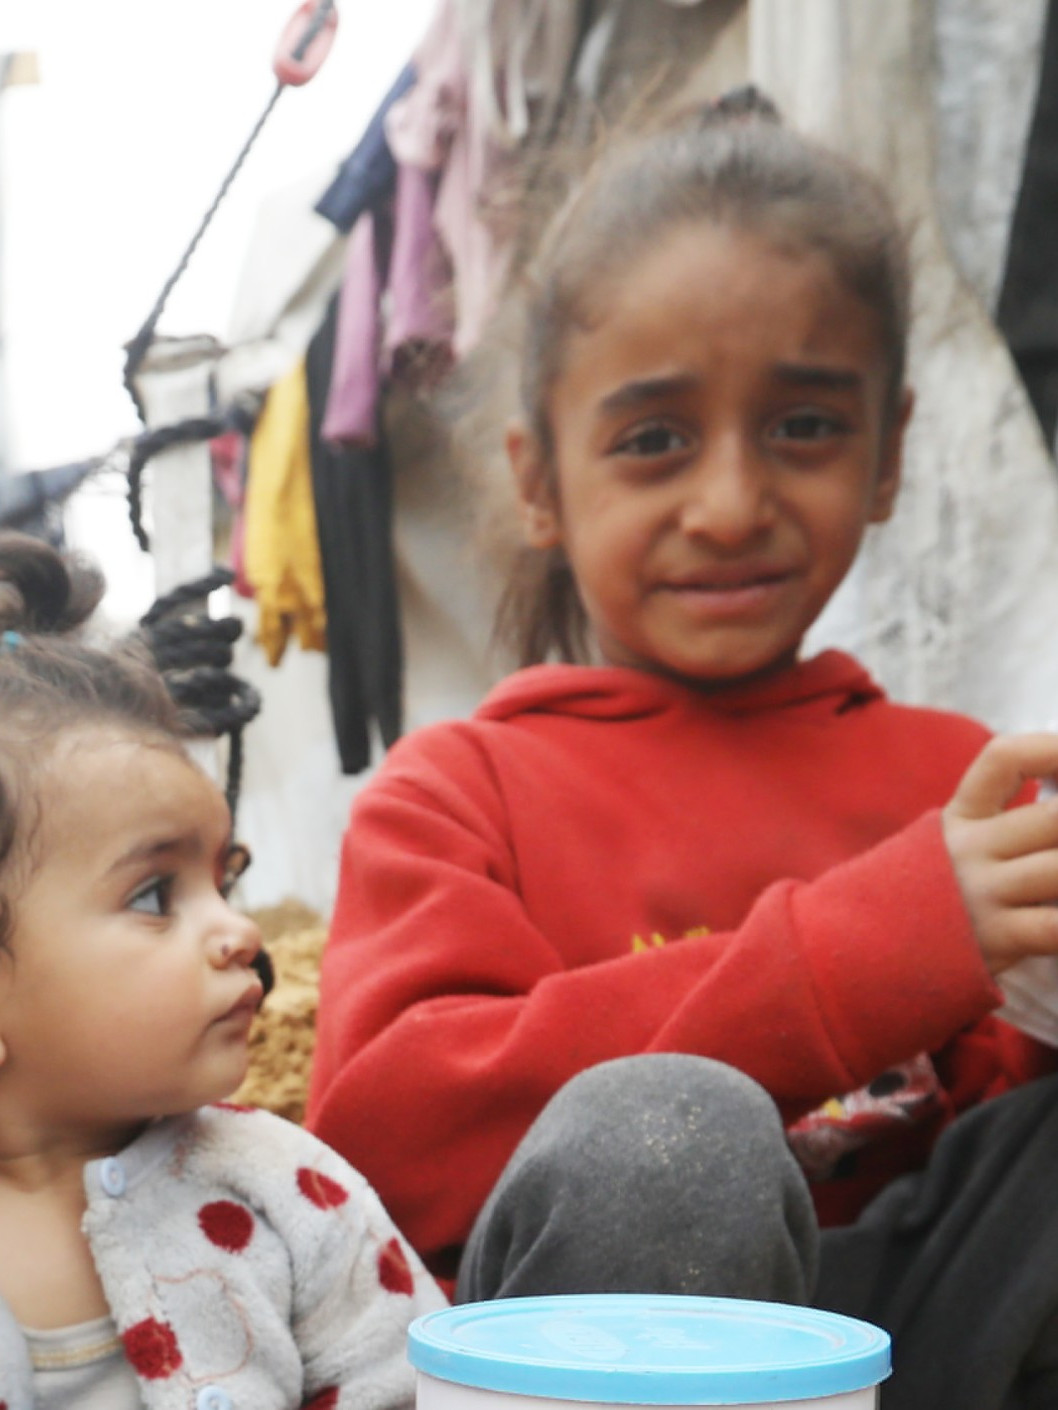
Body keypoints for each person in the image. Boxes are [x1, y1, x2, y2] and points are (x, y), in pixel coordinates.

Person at [306, 106, 1058, 1408]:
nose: (727, 503)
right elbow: (380, 1149)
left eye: (804, 428)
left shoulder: (961, 784)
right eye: (652, 439)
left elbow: (997, 1147)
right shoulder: (456, 793)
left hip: (914, 1342)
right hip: (597, 1353)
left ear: (886, 454)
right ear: (538, 482)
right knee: (669, 1139)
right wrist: (870, 948)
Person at [0, 533, 445, 1409]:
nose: (239, 929)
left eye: (225, 879)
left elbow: (405, 1389)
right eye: (158, 895)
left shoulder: (289, 1191)